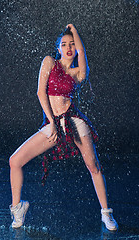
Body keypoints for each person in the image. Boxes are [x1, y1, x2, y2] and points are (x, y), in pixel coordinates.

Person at [9, 24, 118, 231]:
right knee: (15, 161)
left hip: (74, 121)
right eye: (64, 44)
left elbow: (83, 56)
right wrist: (51, 121)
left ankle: (106, 213)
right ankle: (17, 208)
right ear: (58, 48)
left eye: (72, 44)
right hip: (54, 122)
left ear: (76, 48)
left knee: (93, 166)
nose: (68, 48)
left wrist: (76, 31)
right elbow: (41, 93)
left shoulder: (78, 73)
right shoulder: (49, 62)